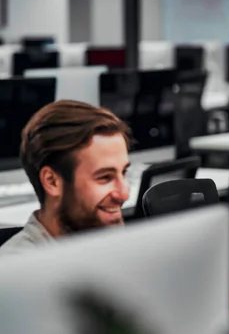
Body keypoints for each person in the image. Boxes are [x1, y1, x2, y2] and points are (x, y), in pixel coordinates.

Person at [0, 100, 132, 255]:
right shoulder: (15, 271)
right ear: (52, 181)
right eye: (105, 177)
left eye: (123, 172)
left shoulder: (110, 246)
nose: (124, 194)